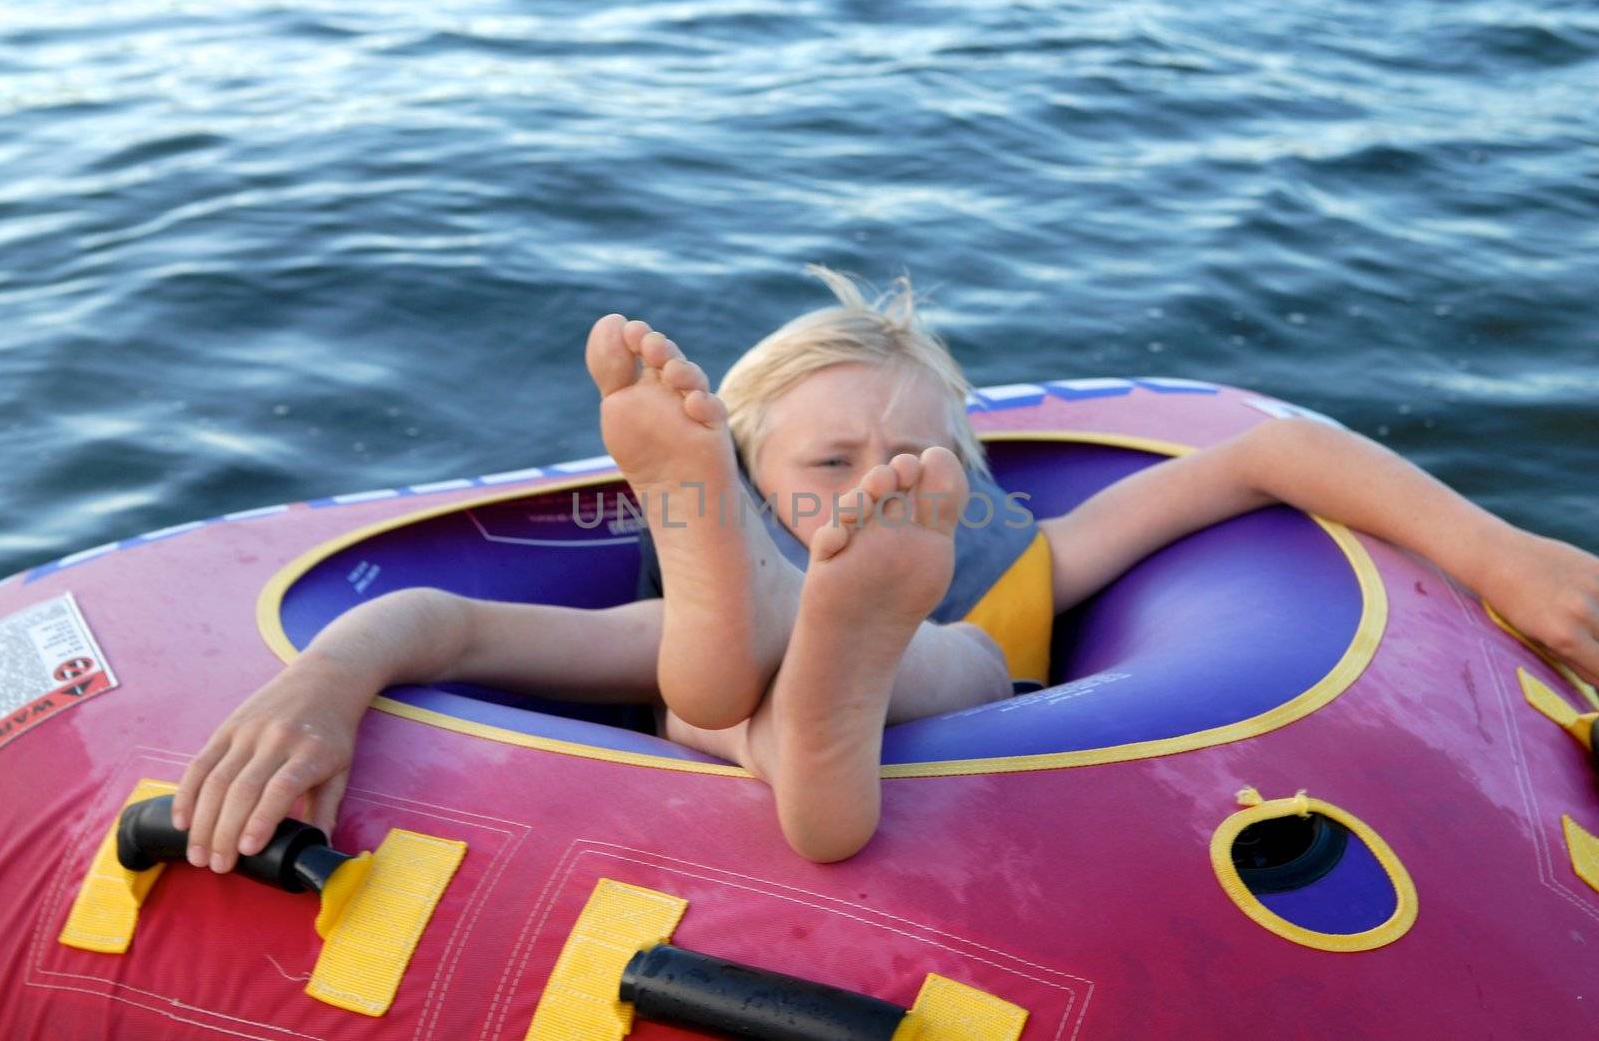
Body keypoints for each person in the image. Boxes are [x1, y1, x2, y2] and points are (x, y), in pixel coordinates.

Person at [172, 266, 1599, 864]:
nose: (870, 489)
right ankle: (799, 662)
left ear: (976, 482)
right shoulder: (695, 610)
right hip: (754, 694)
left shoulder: (1026, 569)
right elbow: (441, 625)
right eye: (827, 468)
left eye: (910, 470)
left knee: (945, 653)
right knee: (726, 670)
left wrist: (1501, 554)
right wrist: (326, 682)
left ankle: (825, 665)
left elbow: (1258, 457)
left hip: (908, 672)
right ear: (742, 480)